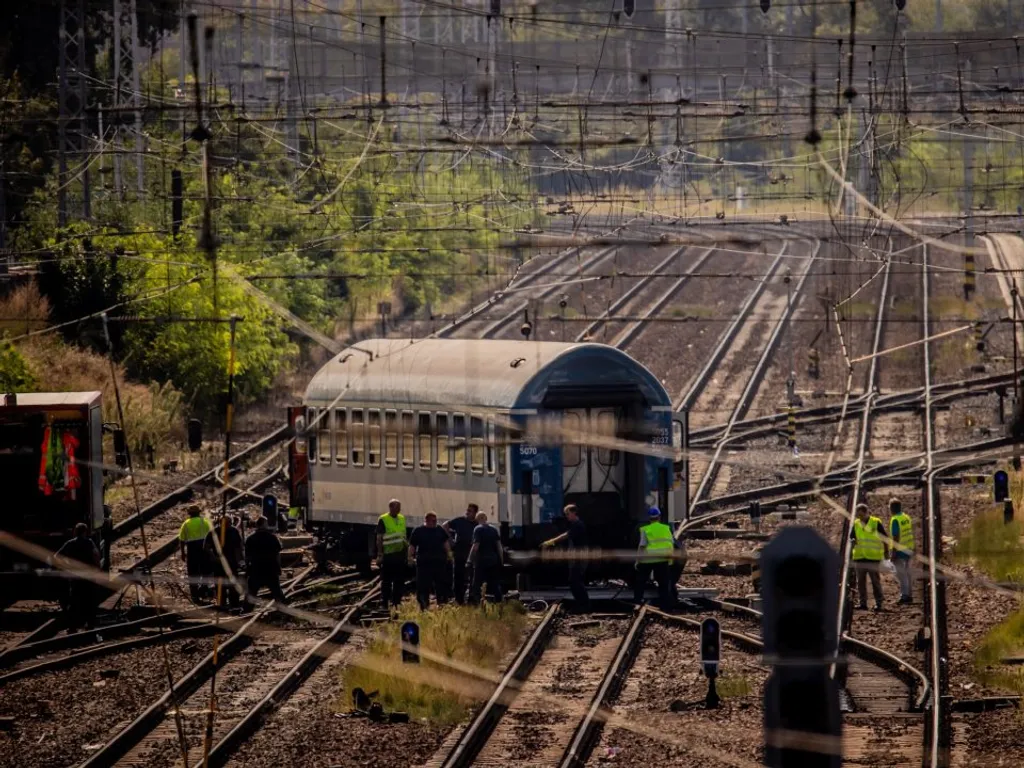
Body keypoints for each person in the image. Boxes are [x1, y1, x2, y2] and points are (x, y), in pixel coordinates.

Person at [542, 504, 591, 611]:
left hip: (580, 557)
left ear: (574, 513)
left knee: (575, 581)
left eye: (568, 514)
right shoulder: (575, 524)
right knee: (574, 581)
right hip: (576, 557)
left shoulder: (578, 525)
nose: (567, 516)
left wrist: (551, 542)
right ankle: (582, 604)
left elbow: (566, 535)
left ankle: (584, 605)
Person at [55, 522, 100, 632]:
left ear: (75, 532)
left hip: (75, 576)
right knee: (90, 601)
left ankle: (72, 627)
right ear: (85, 532)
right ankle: (90, 625)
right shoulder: (89, 542)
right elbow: (96, 555)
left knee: (74, 602)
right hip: (89, 576)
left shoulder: (70, 543)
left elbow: (56, 556)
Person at [409, 512, 453, 609]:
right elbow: (412, 545)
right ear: (427, 520)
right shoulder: (418, 531)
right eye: (433, 521)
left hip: (439, 562)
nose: (435, 522)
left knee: (441, 584)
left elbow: (446, 543)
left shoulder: (439, 530)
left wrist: (450, 555)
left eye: (436, 520)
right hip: (424, 563)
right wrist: (410, 557)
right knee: (423, 585)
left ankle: (441, 603)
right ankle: (424, 605)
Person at [634, 507, 675, 610]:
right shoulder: (666, 528)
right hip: (663, 558)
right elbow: (671, 543)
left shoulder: (646, 530)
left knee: (641, 581)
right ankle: (665, 605)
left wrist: (638, 560)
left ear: (649, 518)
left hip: (649, 559)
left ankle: (638, 601)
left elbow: (642, 546)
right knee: (663, 583)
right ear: (659, 517)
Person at [851, 503, 887, 611]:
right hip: (860, 557)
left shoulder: (876, 523)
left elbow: (885, 538)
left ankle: (879, 603)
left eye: (861, 515)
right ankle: (863, 603)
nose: (860, 518)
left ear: (867, 513)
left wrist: (886, 552)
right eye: (858, 515)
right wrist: (852, 541)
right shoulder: (856, 523)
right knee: (860, 582)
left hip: (873, 558)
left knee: (875, 582)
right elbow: (852, 537)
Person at [245, 516, 287, 604]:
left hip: (256, 569)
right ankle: (284, 609)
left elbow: (247, 556)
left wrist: (247, 568)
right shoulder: (272, 538)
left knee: (251, 593)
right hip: (270, 569)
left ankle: (245, 610)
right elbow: (277, 554)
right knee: (277, 592)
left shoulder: (250, 539)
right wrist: (279, 567)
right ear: (265, 524)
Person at [204, 514, 244, 609]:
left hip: (231, 563)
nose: (229, 525)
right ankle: (223, 605)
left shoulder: (233, 531)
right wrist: (213, 557)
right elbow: (206, 547)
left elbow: (239, 548)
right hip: (220, 563)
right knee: (221, 585)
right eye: (227, 523)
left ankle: (233, 605)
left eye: (229, 523)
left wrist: (240, 561)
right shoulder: (215, 532)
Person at [376, 499, 408, 611]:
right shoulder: (383, 519)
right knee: (387, 581)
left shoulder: (402, 518)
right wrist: (380, 554)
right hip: (388, 554)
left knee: (399, 580)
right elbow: (379, 538)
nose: (399, 509)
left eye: (399, 507)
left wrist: (407, 553)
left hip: (400, 554)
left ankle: (396, 602)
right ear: (390, 507)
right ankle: (384, 602)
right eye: (397, 507)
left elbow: (403, 536)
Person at [444, 503, 479, 604]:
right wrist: (450, 539)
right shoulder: (459, 521)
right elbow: (445, 526)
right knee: (458, 576)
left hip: (470, 554)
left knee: (471, 576)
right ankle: (458, 599)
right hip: (459, 552)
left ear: (475, 513)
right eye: (467, 510)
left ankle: (470, 598)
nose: (467, 512)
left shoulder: (476, 524)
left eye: (470, 511)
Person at [468, 511, 504, 605]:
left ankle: (478, 604)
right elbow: (499, 547)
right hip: (493, 561)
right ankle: (499, 603)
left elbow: (475, 546)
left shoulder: (478, 529)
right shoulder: (494, 529)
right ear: (486, 518)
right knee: (494, 584)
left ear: (477, 520)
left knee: (477, 584)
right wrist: (501, 560)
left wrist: (469, 560)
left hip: (481, 562)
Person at [179, 504, 213, 604]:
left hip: (192, 550)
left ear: (189, 513)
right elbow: (212, 535)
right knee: (206, 570)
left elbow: (181, 540)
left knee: (193, 573)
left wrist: (182, 553)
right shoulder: (205, 521)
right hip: (204, 549)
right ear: (199, 512)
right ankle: (204, 589)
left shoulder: (186, 523)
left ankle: (195, 596)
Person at [888, 498, 915, 605]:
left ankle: (904, 595)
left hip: (899, 550)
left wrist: (893, 552)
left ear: (891, 508)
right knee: (907, 573)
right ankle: (909, 594)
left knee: (901, 574)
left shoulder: (895, 519)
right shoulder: (906, 517)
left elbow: (896, 536)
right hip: (908, 548)